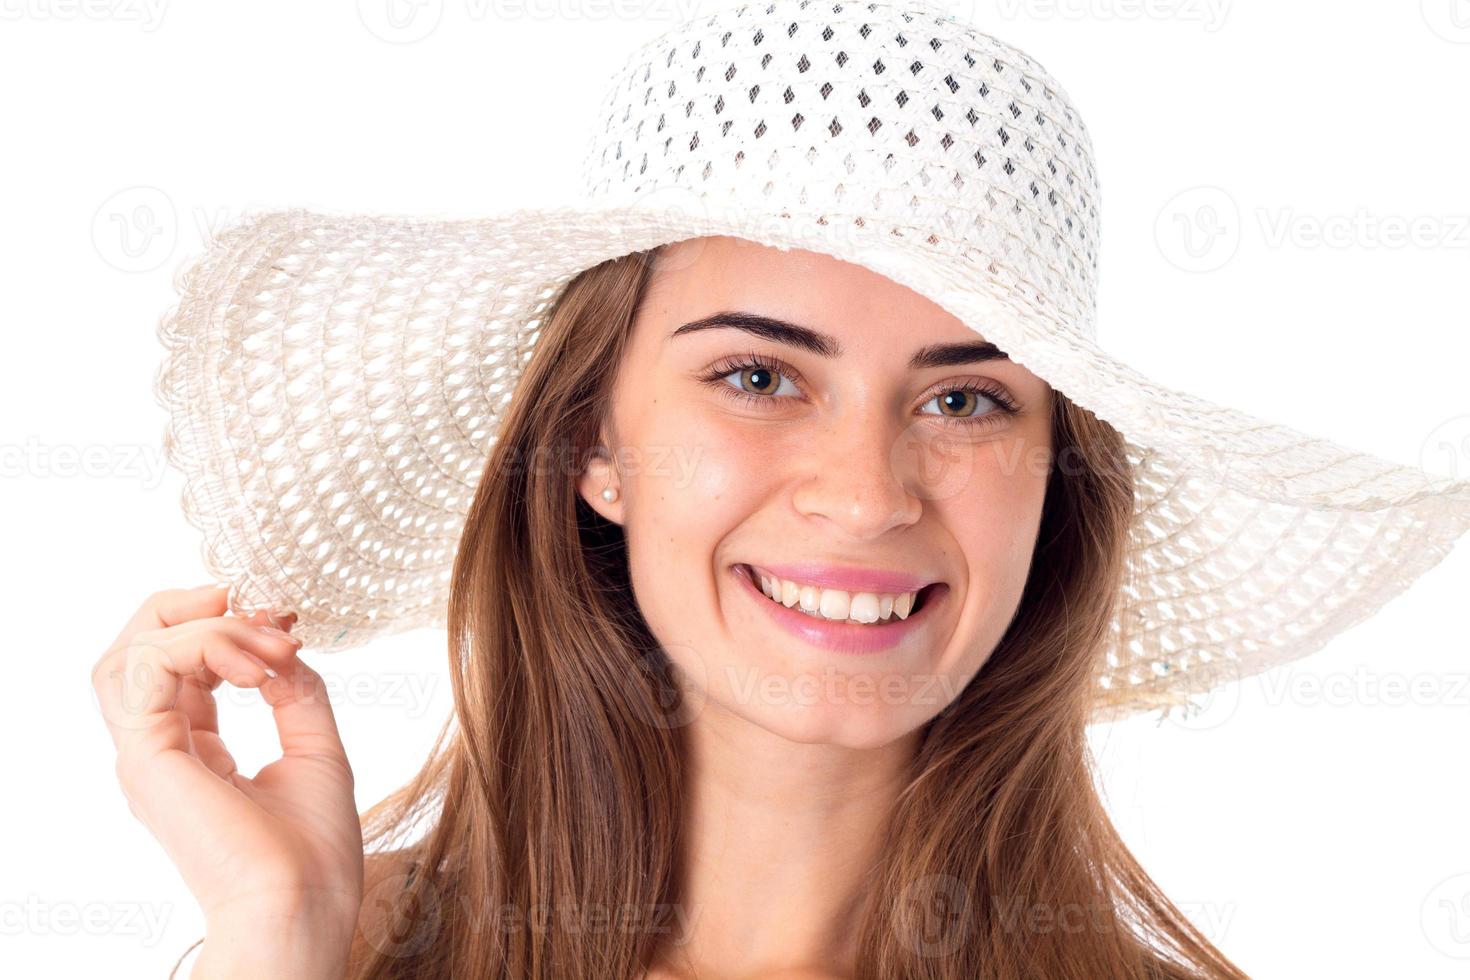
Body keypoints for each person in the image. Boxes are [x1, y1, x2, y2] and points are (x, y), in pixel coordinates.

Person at [91, 1, 1470, 977]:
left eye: (964, 398)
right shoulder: (330, 957)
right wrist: (276, 935)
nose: (866, 494)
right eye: (757, 377)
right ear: (592, 443)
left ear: (1054, 487)